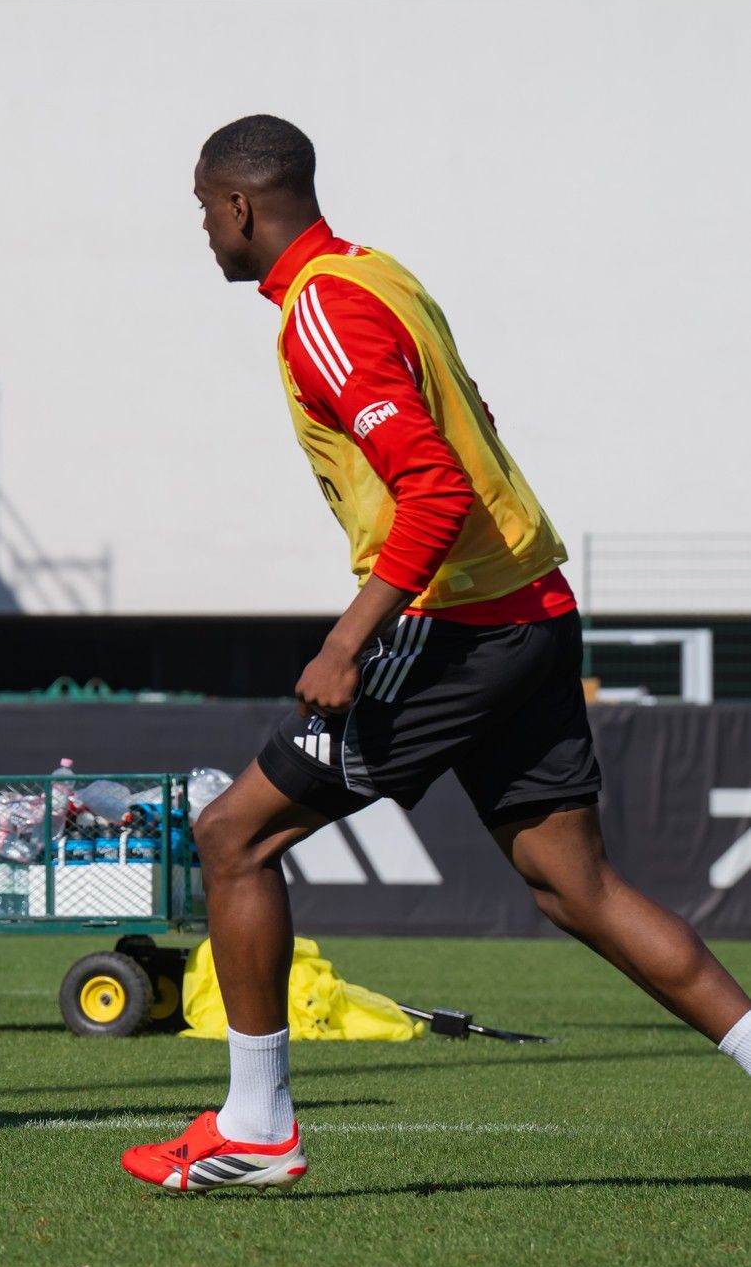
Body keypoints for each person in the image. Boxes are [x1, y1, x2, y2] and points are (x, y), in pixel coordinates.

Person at [120, 115, 751, 1192]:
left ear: (238, 206)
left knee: (231, 836)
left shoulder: (320, 306)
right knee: (573, 884)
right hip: (531, 608)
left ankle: (257, 1127)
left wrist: (346, 638)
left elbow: (436, 484)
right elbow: (467, 434)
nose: (202, 231)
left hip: (454, 626)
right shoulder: (381, 274)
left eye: (201, 209)